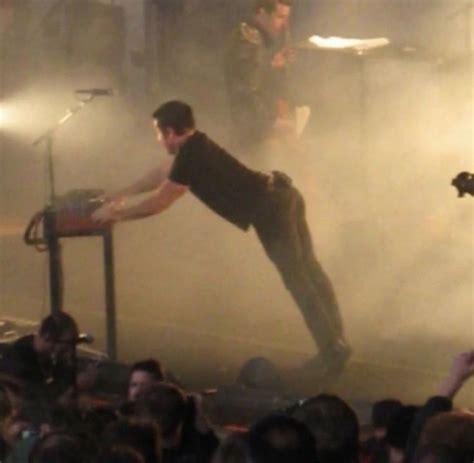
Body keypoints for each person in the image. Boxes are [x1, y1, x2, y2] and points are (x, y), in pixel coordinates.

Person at [92, 100, 350, 374]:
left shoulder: (191, 154)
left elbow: (160, 202)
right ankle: (337, 340)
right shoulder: (194, 146)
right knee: (310, 270)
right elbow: (161, 174)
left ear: (169, 132)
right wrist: (122, 194)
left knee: (297, 279)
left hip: (271, 209)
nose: (158, 140)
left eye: (158, 133)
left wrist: (116, 215)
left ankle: (331, 350)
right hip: (283, 196)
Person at [224, 0, 296, 151]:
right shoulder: (247, 38)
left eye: (286, 18)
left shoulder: (256, 38)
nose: (284, 25)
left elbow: (254, 73)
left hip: (256, 129)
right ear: (262, 13)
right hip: (250, 135)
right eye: (279, 17)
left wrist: (272, 65)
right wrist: (271, 123)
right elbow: (245, 91)